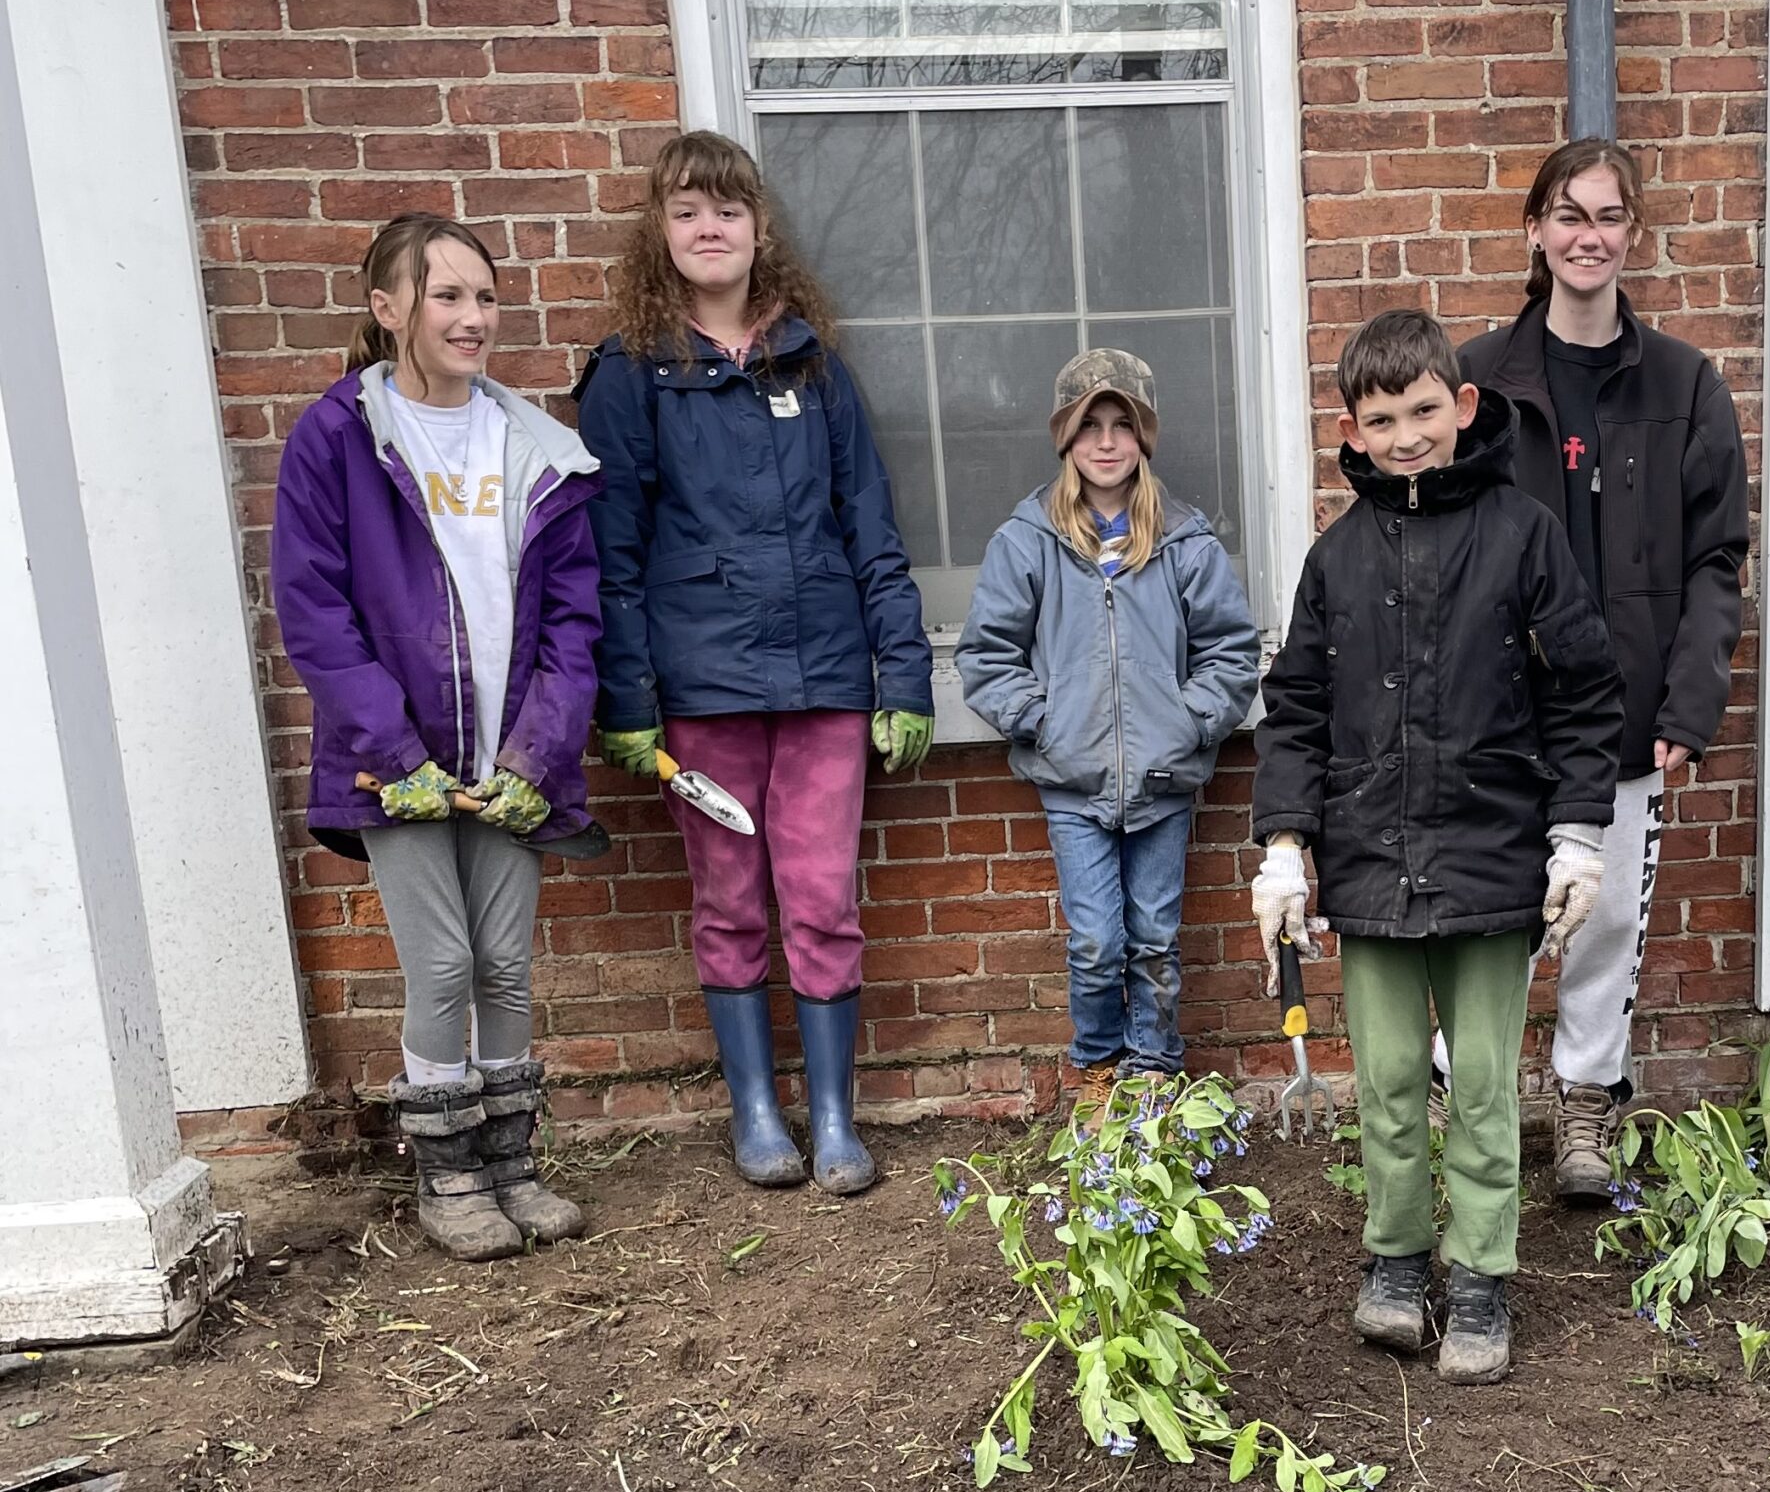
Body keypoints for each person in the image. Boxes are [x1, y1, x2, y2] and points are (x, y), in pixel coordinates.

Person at [1252, 309, 1623, 1384]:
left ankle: (1482, 1276)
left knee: (1486, 1089)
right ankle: (1396, 1261)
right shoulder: (1336, 557)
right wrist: (1285, 844)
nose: (1407, 434)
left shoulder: (1523, 536)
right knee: (1389, 1080)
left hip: (1496, 861)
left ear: (1461, 407)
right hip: (1369, 870)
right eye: (1383, 418)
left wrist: (1575, 834)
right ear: (1352, 430)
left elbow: (1584, 690)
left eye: (1424, 410)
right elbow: (1297, 708)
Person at [578, 130, 935, 1197]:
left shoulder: (811, 365)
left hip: (826, 682)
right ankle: (755, 1113)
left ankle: (833, 1116)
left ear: (759, 229)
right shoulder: (629, 375)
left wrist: (903, 673)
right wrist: (628, 699)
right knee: (731, 900)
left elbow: (871, 526)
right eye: (688, 211)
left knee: (822, 898)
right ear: (661, 232)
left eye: (728, 210)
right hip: (703, 690)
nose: (710, 228)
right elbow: (613, 554)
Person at [274, 213, 603, 1261]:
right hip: (397, 765)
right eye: (447, 296)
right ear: (388, 310)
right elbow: (315, 610)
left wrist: (539, 753)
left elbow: (573, 620)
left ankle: (512, 1163)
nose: (472, 318)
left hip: (511, 760)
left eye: (485, 297)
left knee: (505, 962)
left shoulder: (535, 446)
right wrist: (396, 752)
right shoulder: (337, 438)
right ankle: (448, 1175)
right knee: (445, 965)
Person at [1453, 139, 1751, 1201]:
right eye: (1568, 214)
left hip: (1622, 712)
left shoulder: (1682, 385)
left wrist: (1691, 696)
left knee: (1607, 914)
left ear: (1633, 234)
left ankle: (1586, 1101)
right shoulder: (1476, 381)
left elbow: (1717, 556)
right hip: (1495, 712)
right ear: (1534, 230)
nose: (1589, 235)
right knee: (1487, 912)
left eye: (1609, 216)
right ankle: (1464, 1101)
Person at [956, 349, 1260, 1113]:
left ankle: (1153, 1073)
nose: (1106, 442)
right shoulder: (1028, 541)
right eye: (1089, 425)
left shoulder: (1185, 542)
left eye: (1123, 425)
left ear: (1144, 438)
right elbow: (988, 655)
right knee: (1097, 942)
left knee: (1154, 937)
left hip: (1164, 781)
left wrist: (1188, 723)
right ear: (1065, 438)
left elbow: (1231, 650)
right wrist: (1043, 723)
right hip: (1073, 782)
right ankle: (1097, 1071)